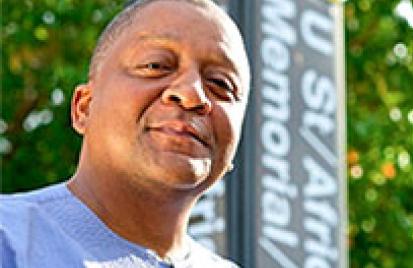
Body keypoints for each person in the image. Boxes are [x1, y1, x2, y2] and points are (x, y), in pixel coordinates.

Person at [0, 0, 250, 267]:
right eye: (155, 65)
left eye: (221, 84)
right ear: (84, 107)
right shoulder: (10, 238)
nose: (191, 95)